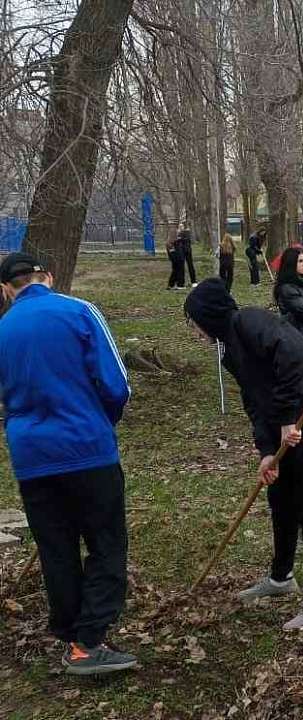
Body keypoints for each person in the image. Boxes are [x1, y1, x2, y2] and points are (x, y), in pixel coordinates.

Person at [0, 253, 136, 676]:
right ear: (49, 276)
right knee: (105, 542)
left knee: (55, 547)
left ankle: (68, 628)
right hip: (86, 448)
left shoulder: (2, 329)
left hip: (32, 458)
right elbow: (116, 383)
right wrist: (100, 423)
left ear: (6, 289)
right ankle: (88, 641)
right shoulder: (79, 311)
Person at [184, 279, 303, 630]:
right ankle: (281, 576)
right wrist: (266, 450)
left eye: (193, 322)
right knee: (281, 497)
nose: (194, 331)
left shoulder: (251, 322)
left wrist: (289, 419)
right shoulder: (228, 347)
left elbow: (295, 361)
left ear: (207, 315)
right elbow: (254, 399)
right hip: (286, 425)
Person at [176, 222, 197, 288]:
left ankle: (193, 281)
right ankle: (181, 283)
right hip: (181, 251)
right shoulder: (179, 233)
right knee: (181, 267)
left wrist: (180, 238)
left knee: (190, 266)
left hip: (187, 251)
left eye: (182, 226)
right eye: (180, 226)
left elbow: (186, 240)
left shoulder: (186, 232)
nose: (181, 227)